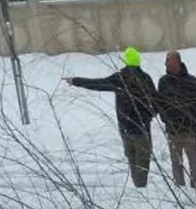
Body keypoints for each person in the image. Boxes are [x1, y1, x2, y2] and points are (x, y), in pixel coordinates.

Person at [64, 46, 159, 188]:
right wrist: (149, 116)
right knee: (143, 161)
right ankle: (142, 186)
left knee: (132, 160)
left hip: (125, 129)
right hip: (142, 129)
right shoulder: (145, 79)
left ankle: (138, 186)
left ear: (126, 61)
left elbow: (98, 83)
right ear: (138, 61)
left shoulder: (120, 78)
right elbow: (156, 102)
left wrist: (76, 81)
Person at [156, 50, 196, 188]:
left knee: (194, 162)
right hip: (172, 131)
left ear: (177, 61)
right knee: (176, 163)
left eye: (168, 60)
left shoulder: (191, 81)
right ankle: (180, 190)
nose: (165, 63)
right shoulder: (163, 82)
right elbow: (160, 104)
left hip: (190, 130)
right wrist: (167, 120)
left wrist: (192, 118)